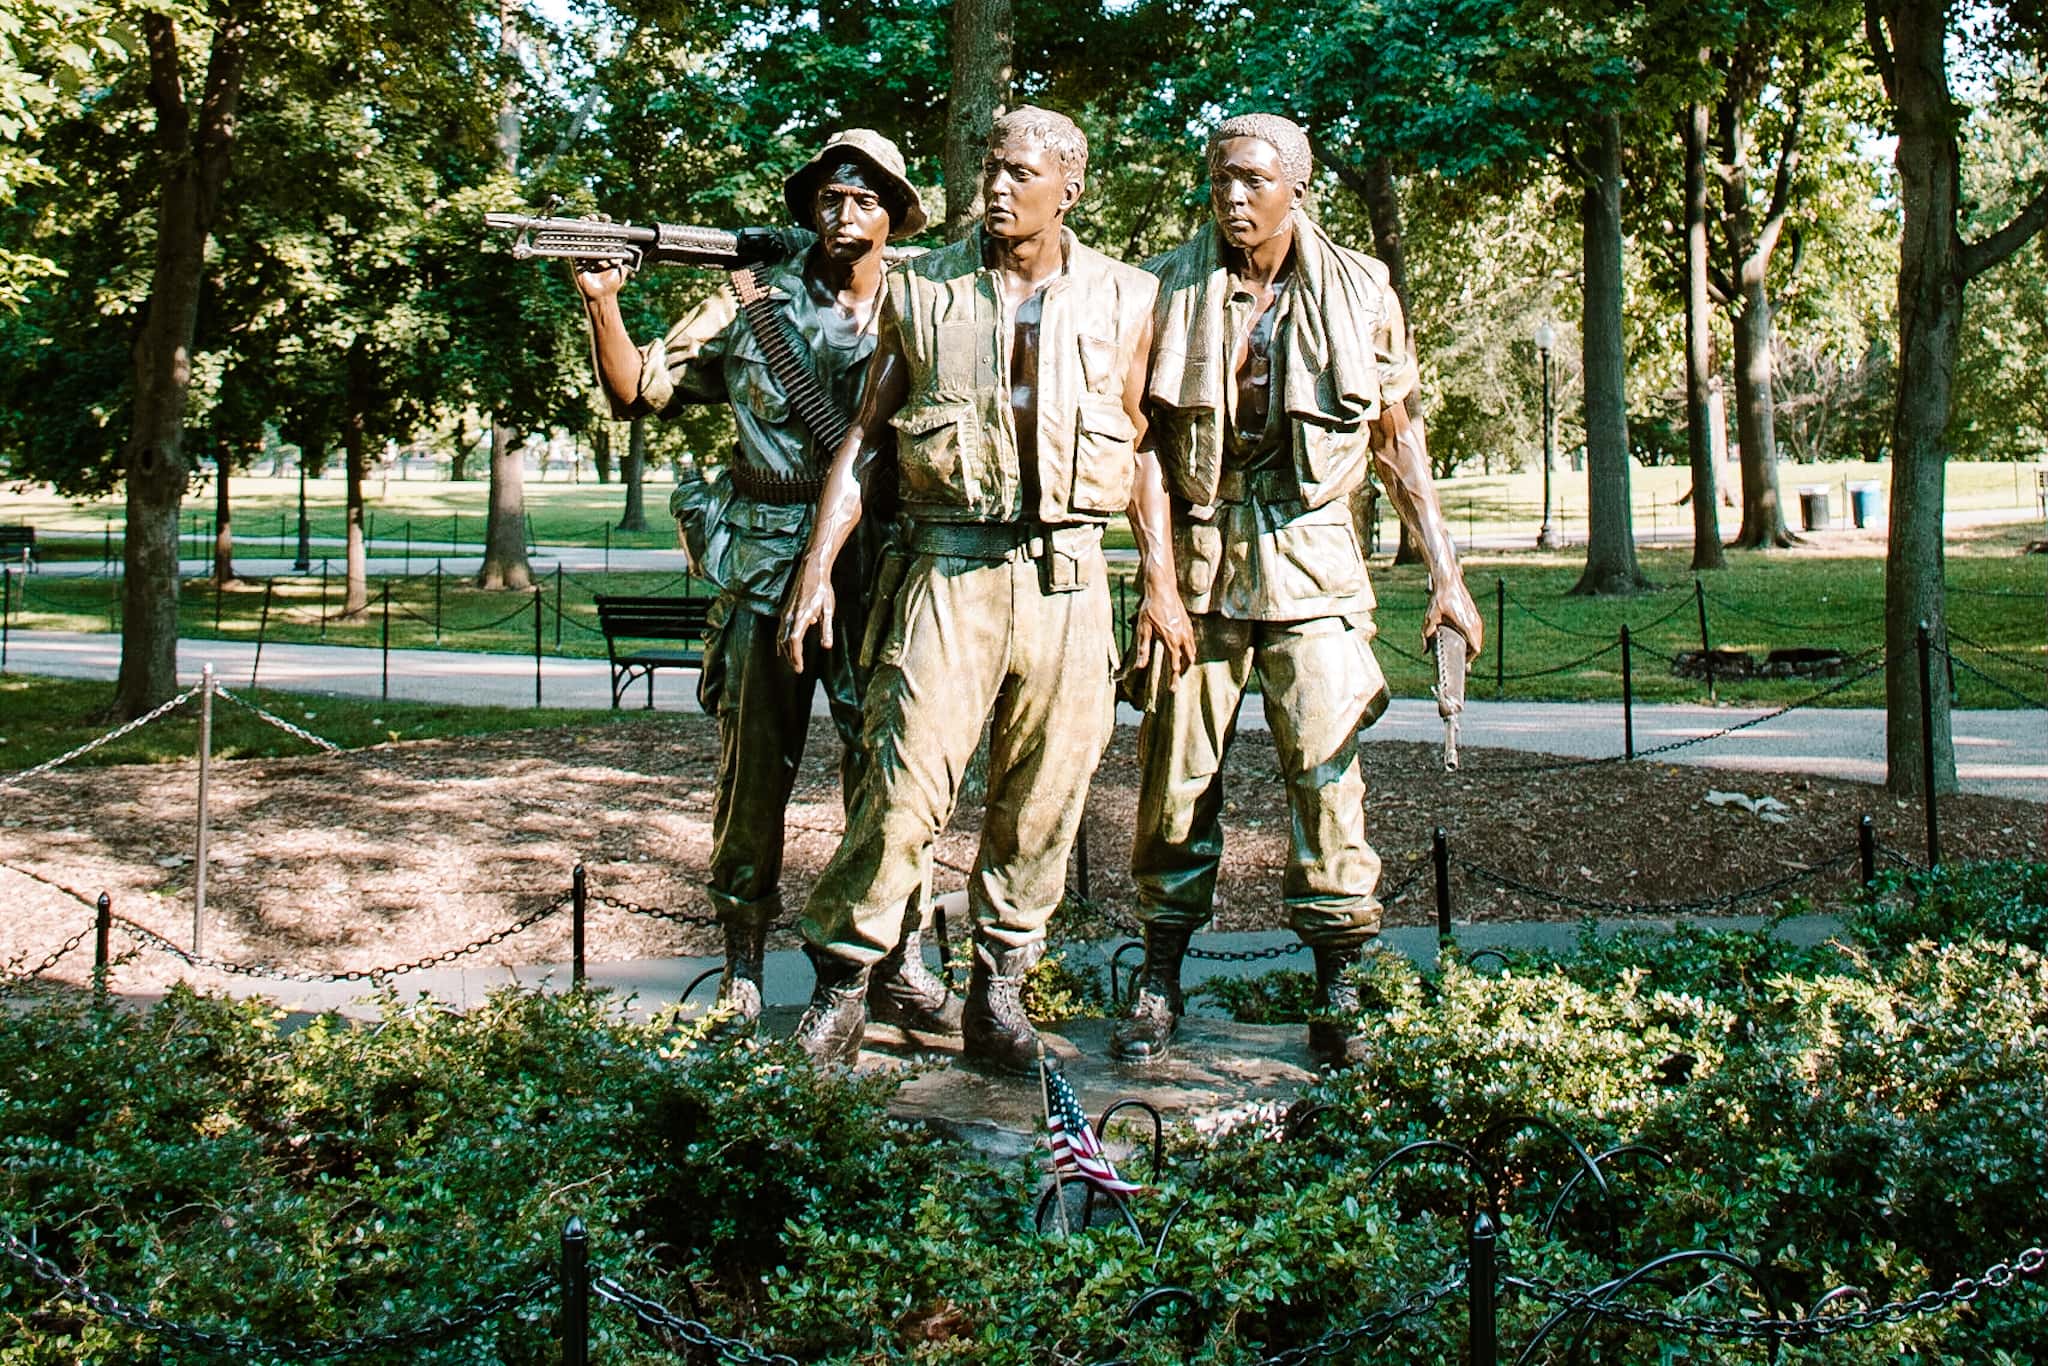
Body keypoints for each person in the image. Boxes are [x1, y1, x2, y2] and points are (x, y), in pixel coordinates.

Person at [778, 106, 1195, 1073]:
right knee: (902, 785)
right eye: (989, 170)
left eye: (1019, 173)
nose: (997, 188)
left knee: (1045, 798)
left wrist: (1161, 589)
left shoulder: (1129, 297)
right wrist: (814, 573)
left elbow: (1141, 452)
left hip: (1072, 578)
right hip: (948, 570)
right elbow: (867, 442)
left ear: (1068, 189)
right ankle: (844, 983)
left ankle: (998, 989)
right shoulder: (920, 291)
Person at [1112, 113, 1484, 1067]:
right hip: (1196, 561)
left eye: (1252, 181)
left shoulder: (1362, 291)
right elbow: (1144, 444)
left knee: (1327, 775)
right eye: (1220, 179)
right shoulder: (1161, 284)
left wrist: (1446, 571)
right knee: (1173, 778)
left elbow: (1398, 437)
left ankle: (1339, 981)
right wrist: (1155, 581)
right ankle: (1158, 975)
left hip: (1314, 558)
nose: (1232, 197)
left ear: (1295, 189)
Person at [573, 130, 960, 1035]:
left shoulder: (932, 304)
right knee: (752, 773)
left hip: (878, 567)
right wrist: (603, 305)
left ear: (896, 213)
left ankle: (895, 960)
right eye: (829, 194)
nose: (844, 210)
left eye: (866, 197)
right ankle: (743, 971)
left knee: (894, 772)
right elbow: (637, 391)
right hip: (759, 566)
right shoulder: (746, 300)